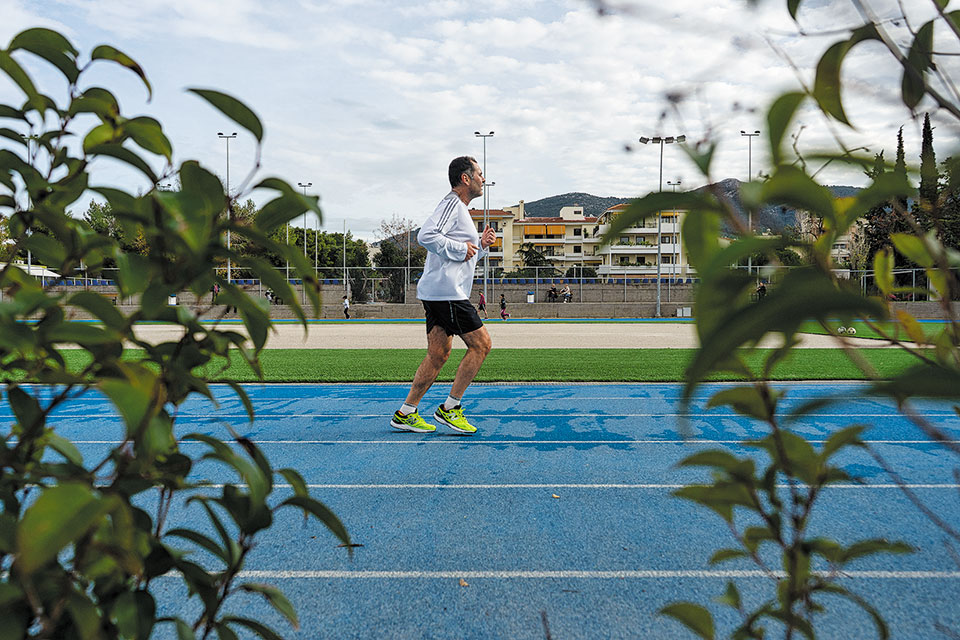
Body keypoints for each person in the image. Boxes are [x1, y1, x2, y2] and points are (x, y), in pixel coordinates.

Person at [390, 156, 496, 435]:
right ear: (465, 178)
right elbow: (426, 236)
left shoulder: (460, 210)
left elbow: (462, 255)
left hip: (439, 291)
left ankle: (406, 412)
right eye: (480, 174)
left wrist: (480, 246)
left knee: (438, 354)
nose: (483, 179)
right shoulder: (452, 204)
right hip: (447, 292)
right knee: (482, 344)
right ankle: (451, 408)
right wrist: (463, 249)